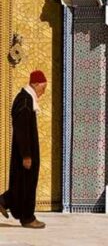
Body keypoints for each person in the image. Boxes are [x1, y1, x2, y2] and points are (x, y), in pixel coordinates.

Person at [0, 70, 47, 229]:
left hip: (25, 153)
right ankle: (27, 218)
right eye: (42, 88)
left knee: (21, 184)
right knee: (27, 184)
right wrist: (26, 154)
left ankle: (3, 201)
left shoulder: (26, 100)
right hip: (25, 154)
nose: (43, 92)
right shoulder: (25, 102)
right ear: (35, 84)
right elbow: (22, 130)